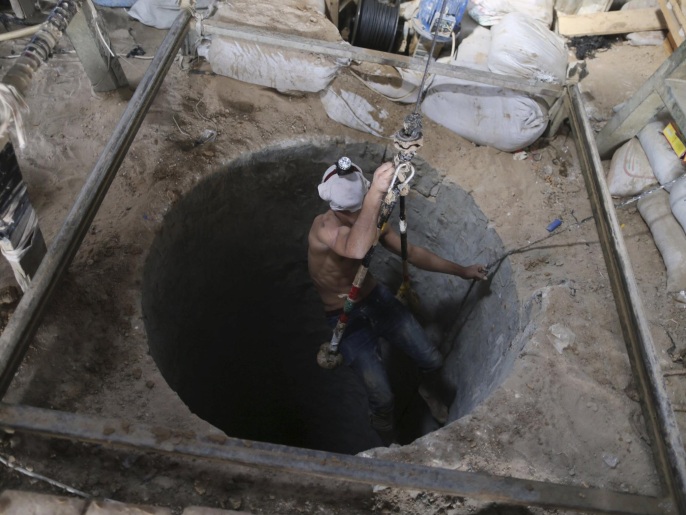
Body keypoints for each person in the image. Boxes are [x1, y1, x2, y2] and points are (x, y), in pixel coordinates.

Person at [307, 157, 487, 442]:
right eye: (351, 210)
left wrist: (461, 271)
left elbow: (411, 253)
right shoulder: (325, 228)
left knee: (431, 358)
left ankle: (425, 390)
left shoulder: (374, 221)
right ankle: (387, 441)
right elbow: (354, 248)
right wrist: (376, 194)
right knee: (382, 396)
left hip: (377, 300)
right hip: (345, 316)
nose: (355, 216)